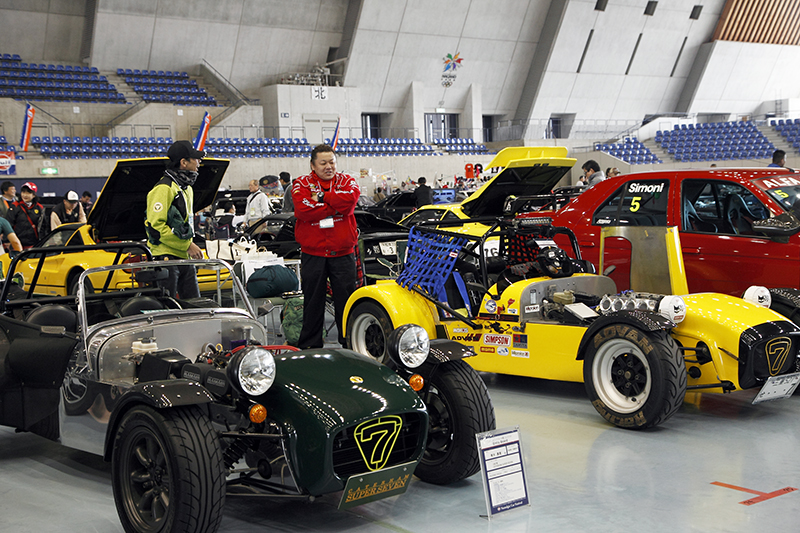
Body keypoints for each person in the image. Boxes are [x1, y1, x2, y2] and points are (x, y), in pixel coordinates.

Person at [291, 143, 360, 349]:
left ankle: (350, 342)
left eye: (332, 162)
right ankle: (310, 346)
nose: (328, 166)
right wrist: (336, 207)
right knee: (313, 302)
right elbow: (303, 210)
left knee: (346, 302)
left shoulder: (347, 180)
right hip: (314, 253)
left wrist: (322, 198)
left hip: (343, 253)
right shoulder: (301, 183)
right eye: (323, 163)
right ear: (313, 165)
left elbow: (350, 201)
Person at [145, 140, 204, 299]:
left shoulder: (186, 188)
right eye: (195, 159)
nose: (199, 162)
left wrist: (190, 244)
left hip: (184, 257)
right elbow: (155, 227)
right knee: (168, 309)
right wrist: (187, 244)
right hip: (166, 259)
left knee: (195, 306)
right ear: (183, 162)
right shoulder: (163, 189)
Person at [6, 182, 45, 248]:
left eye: (28, 193)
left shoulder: (39, 207)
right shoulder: (15, 206)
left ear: (34, 195)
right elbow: (8, 224)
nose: (25, 195)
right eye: (23, 192)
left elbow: (43, 226)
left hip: (34, 243)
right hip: (17, 243)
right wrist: (7, 240)